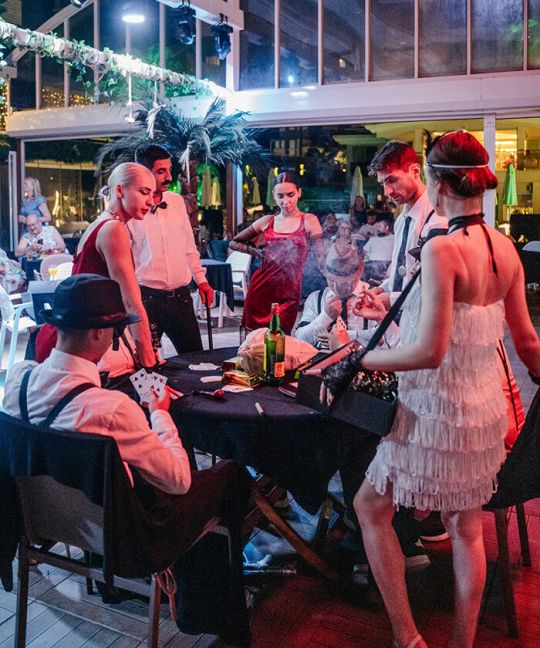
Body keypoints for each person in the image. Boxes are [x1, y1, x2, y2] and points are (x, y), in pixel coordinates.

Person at [316, 131, 540, 648]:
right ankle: (461, 642)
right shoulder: (505, 247)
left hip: (432, 410)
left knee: (370, 508)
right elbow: (527, 342)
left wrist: (362, 357)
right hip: (481, 413)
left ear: (436, 183)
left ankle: (407, 637)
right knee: (466, 529)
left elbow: (428, 352)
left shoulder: (442, 247)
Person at [3, 274, 250, 646]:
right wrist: (159, 413)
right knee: (229, 476)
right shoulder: (111, 409)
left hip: (38, 525)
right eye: (117, 331)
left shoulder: (17, 382)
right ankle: (210, 609)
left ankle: (187, 593)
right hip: (125, 539)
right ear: (99, 334)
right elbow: (178, 480)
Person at [35, 162, 156, 368]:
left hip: (71, 336)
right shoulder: (113, 229)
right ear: (120, 190)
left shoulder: (102, 222)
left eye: (152, 194)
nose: (151, 201)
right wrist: (148, 360)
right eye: (144, 192)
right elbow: (130, 302)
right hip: (77, 343)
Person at [131, 144, 214, 354]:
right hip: (147, 299)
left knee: (196, 359)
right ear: (144, 173)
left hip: (181, 298)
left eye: (169, 170)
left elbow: (189, 247)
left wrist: (202, 281)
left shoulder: (176, 202)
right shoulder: (132, 210)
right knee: (144, 363)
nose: (169, 177)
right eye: (161, 171)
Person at [230, 171, 324, 334]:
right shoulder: (267, 221)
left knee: (282, 339)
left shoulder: (309, 220)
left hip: (289, 293)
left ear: (299, 192)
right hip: (260, 290)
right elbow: (234, 242)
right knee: (255, 342)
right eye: (280, 196)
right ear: (274, 195)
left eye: (290, 195)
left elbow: (321, 256)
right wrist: (258, 252)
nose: (285, 201)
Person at [367, 140, 447, 309]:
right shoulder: (401, 220)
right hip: (403, 320)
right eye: (383, 183)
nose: (387, 192)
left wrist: (391, 300)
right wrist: (382, 289)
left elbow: (439, 289)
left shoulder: (439, 219)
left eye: (392, 180)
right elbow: (405, 274)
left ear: (415, 171)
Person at [362, 218, 395, 284]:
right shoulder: (373, 239)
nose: (377, 229)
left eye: (379, 226)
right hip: (371, 264)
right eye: (377, 227)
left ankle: (376, 281)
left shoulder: (394, 238)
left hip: (386, 265)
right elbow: (364, 251)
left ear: (387, 228)